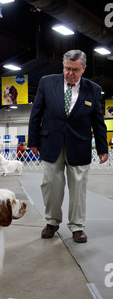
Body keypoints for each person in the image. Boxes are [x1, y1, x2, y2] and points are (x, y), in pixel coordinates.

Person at [28, 49, 108, 244]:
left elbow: (98, 122)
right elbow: (36, 114)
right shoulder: (47, 82)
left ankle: (77, 226)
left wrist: (102, 148)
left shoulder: (93, 89)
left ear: (83, 69)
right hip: (50, 143)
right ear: (62, 66)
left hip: (79, 145)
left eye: (74, 69)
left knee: (79, 188)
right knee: (51, 186)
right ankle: (52, 222)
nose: (70, 73)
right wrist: (33, 141)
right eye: (66, 69)